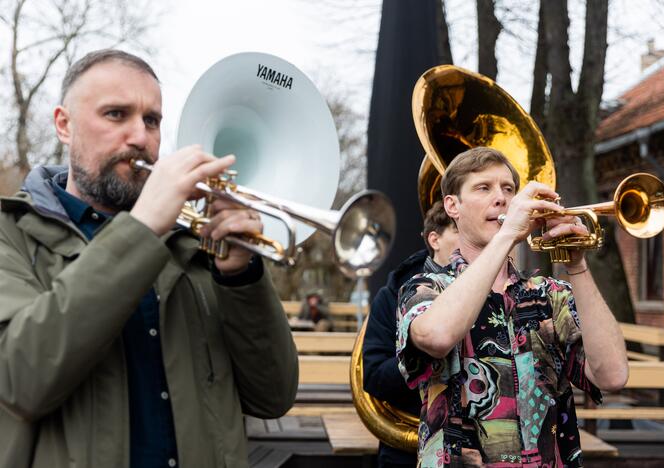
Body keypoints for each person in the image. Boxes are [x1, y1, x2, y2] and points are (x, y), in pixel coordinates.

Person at [0, 49, 299, 468]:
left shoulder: (193, 243)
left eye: (152, 120)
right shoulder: (9, 234)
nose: (141, 136)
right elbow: (20, 381)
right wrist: (142, 228)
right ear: (63, 125)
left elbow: (272, 397)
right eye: (116, 114)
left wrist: (241, 278)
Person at [396, 147, 629, 467]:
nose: (501, 198)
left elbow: (613, 375)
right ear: (453, 206)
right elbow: (436, 336)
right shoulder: (426, 288)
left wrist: (578, 266)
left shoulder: (551, 295)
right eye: (483, 188)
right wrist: (506, 234)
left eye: (508, 189)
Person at [362, 201, 459, 467]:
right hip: (409, 452)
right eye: (460, 230)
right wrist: (424, 352)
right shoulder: (392, 295)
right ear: (434, 239)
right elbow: (373, 376)